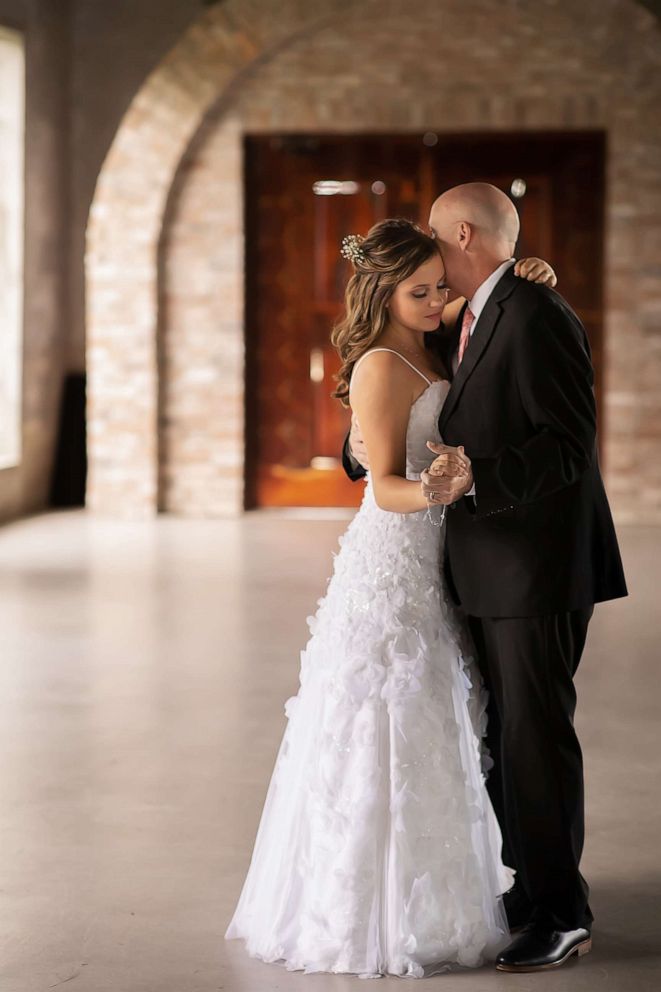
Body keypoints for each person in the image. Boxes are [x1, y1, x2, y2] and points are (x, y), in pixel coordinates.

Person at [225, 217, 558, 978]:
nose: (438, 299)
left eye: (441, 286)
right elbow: (381, 488)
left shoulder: (436, 339)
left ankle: (438, 895)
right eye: (420, 291)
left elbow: (492, 332)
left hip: (439, 563)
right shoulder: (380, 364)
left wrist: (532, 274)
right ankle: (365, 908)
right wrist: (439, 488)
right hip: (394, 561)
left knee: (432, 730)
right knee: (381, 724)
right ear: (382, 292)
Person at [345, 184, 628, 973]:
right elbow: (406, 403)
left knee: (533, 736)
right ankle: (531, 886)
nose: (432, 265)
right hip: (478, 567)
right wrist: (361, 452)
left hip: (534, 567)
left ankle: (559, 912)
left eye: (437, 242)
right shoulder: (462, 318)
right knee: (502, 733)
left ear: (460, 231)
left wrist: (477, 480)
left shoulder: (534, 313)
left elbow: (568, 445)